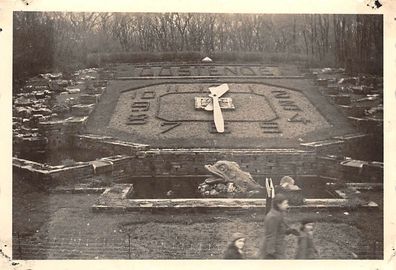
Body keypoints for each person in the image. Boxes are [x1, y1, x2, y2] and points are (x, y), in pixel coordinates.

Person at [260, 193, 299, 259]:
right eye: (285, 204)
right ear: (278, 204)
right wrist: (271, 253)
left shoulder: (278, 214)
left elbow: (280, 228)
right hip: (274, 250)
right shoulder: (273, 217)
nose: (287, 206)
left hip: (279, 248)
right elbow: (270, 235)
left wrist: (290, 231)